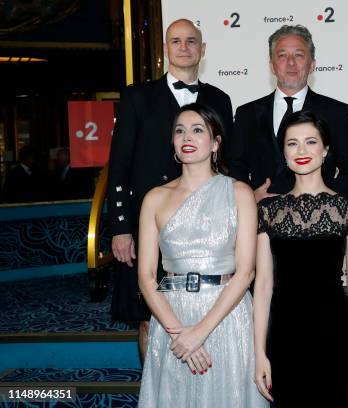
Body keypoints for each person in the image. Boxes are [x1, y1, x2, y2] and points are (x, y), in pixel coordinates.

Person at [107, 18, 233, 361]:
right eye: (176, 41)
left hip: (205, 229)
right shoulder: (137, 97)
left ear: (202, 49)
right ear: (166, 49)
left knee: (207, 310)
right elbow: (119, 166)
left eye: (191, 41)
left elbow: (226, 162)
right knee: (148, 317)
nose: (184, 47)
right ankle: (157, 387)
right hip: (148, 225)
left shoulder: (220, 99)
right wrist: (120, 228)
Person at [137, 103, 266, 407]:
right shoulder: (154, 198)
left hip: (227, 315)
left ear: (216, 143)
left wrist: (201, 332)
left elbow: (246, 271)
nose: (187, 137)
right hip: (172, 316)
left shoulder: (239, 193)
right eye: (180, 131)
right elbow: (145, 275)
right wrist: (179, 333)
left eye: (198, 130)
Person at [254, 111, 348, 406]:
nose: (302, 151)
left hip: (335, 333)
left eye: (310, 142)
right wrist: (259, 354)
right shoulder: (268, 211)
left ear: (326, 150)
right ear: (283, 153)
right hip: (284, 336)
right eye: (292, 144)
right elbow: (263, 287)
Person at [228, 24, 348, 202]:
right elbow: (235, 167)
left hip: (319, 219)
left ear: (312, 65)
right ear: (272, 65)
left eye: (299, 55)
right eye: (282, 55)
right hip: (262, 218)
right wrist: (249, 197)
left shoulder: (335, 111)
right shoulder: (246, 113)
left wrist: (325, 198)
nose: (291, 62)